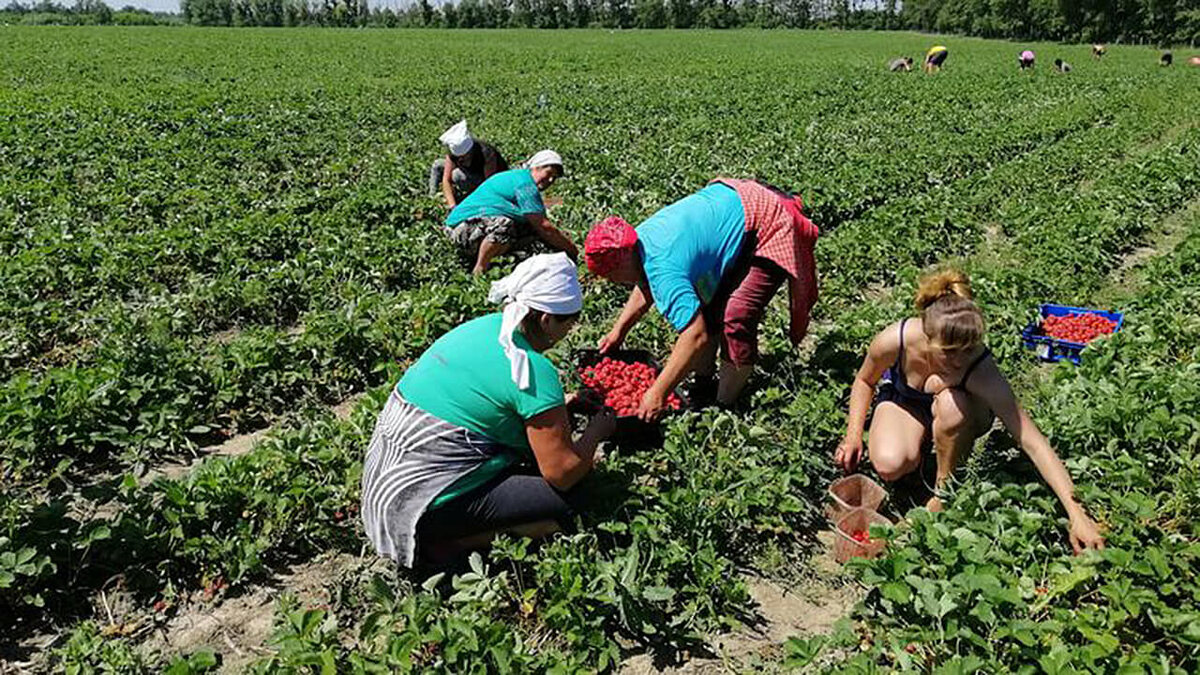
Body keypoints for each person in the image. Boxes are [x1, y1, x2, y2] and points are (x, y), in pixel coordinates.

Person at [361, 253, 617, 569]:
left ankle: (446, 531)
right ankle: (448, 546)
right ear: (547, 320)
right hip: (420, 508)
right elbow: (562, 473)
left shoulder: (482, 329)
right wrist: (596, 433)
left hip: (384, 490)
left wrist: (557, 407)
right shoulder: (535, 370)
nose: (570, 332)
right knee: (572, 499)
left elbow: (485, 400)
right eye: (569, 323)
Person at [832, 269, 1106, 554]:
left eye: (967, 349)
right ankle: (922, 446)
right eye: (949, 352)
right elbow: (865, 380)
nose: (959, 361)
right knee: (890, 465)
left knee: (952, 407)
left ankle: (943, 492)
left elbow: (1032, 441)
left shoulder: (980, 370)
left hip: (961, 414)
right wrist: (853, 436)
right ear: (927, 337)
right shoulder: (896, 340)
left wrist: (1078, 514)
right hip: (907, 402)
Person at [584, 179, 818, 418]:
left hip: (770, 218)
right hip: (738, 208)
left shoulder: (663, 267)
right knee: (706, 306)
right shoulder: (637, 242)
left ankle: (723, 408)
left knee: (736, 316)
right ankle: (704, 382)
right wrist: (619, 331)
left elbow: (695, 335)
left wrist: (658, 392)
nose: (614, 282)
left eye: (611, 276)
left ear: (621, 263)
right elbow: (646, 283)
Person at [445, 150, 578, 275]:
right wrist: (572, 249)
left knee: (529, 231)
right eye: (548, 174)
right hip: (460, 229)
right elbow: (544, 227)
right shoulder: (525, 184)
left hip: (469, 229)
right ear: (536, 167)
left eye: (554, 178)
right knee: (504, 225)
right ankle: (480, 270)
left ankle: (501, 261)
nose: (550, 180)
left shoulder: (518, 178)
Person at [428, 120, 509, 209]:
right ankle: (432, 197)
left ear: (471, 151)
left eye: (465, 156)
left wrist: (468, 201)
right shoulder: (453, 154)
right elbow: (446, 180)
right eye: (458, 157)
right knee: (438, 165)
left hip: (489, 178)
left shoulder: (486, 153)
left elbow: (488, 184)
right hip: (471, 172)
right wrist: (452, 205)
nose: (461, 159)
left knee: (457, 175)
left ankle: (466, 196)